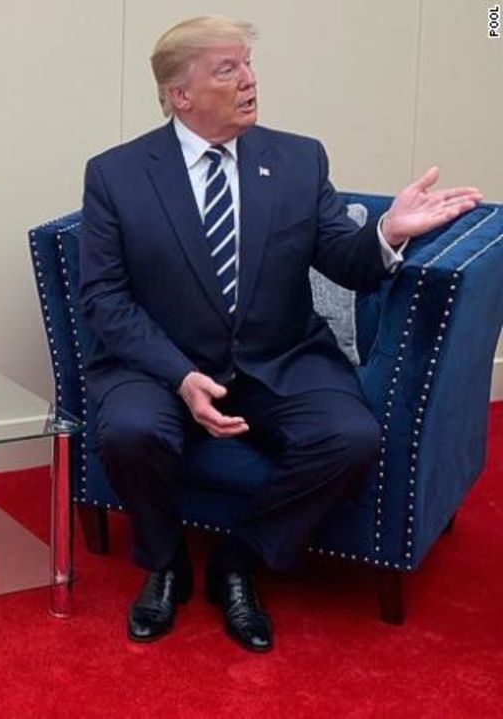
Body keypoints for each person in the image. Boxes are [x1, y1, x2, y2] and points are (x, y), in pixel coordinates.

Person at [77, 16, 482, 652]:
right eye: (227, 69)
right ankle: (165, 562)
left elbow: (346, 263)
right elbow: (104, 298)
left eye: (248, 64)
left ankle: (242, 558)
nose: (250, 80)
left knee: (350, 438)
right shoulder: (116, 175)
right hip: (163, 362)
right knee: (129, 431)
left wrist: (389, 233)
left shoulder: (297, 158)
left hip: (279, 355)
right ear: (180, 95)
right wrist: (181, 377)